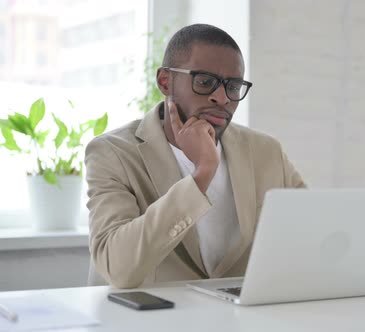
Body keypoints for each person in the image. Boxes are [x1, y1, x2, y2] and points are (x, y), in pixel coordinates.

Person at [85, 24, 305, 288]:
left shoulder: (266, 151)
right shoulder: (112, 153)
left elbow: (314, 233)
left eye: (233, 86)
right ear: (166, 81)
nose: (221, 98)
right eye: (205, 82)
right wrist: (202, 174)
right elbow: (117, 267)